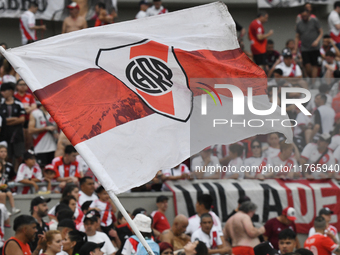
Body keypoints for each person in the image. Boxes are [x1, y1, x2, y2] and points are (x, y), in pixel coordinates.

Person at [0, 82, 26, 171]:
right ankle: (9, 174)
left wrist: (7, 120)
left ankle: (19, 174)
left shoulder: (18, 103)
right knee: (8, 157)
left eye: (4, 91)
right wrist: (15, 119)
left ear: (10, 91)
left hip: (17, 135)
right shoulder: (1, 105)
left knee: (19, 157)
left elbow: (22, 119)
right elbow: (2, 121)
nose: (2, 93)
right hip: (5, 135)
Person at [295, 8, 323, 79]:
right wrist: (295, 49)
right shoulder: (299, 24)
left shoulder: (314, 21)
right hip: (305, 48)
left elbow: (321, 32)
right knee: (307, 65)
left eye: (305, 15)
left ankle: (313, 84)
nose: (304, 17)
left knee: (315, 65)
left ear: (308, 14)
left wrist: (317, 40)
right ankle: (311, 78)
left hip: (314, 48)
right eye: (303, 16)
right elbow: (297, 37)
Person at [28, 101, 57, 168]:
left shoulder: (54, 112)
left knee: (51, 169)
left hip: (53, 147)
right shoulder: (35, 113)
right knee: (41, 168)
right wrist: (45, 128)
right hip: (40, 147)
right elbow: (30, 130)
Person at [14, 79, 37, 150]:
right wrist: (24, 109)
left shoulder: (29, 96)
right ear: (17, 86)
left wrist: (27, 109)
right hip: (18, 121)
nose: (22, 86)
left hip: (28, 120)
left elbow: (34, 106)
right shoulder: (14, 96)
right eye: (20, 84)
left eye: (24, 84)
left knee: (28, 140)